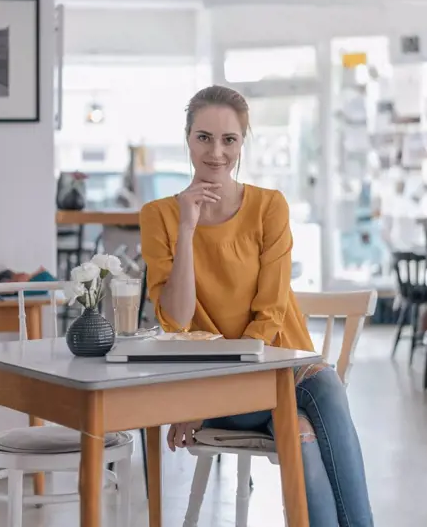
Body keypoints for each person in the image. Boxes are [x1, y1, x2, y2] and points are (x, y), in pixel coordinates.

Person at [140, 85, 374, 527]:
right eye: (204, 137)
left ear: (242, 143)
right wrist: (188, 229)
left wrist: (245, 375)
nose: (216, 153)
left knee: (305, 422)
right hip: (215, 384)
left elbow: (270, 313)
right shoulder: (161, 216)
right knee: (319, 391)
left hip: (276, 369)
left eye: (229, 140)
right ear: (187, 138)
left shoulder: (269, 206)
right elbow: (176, 318)